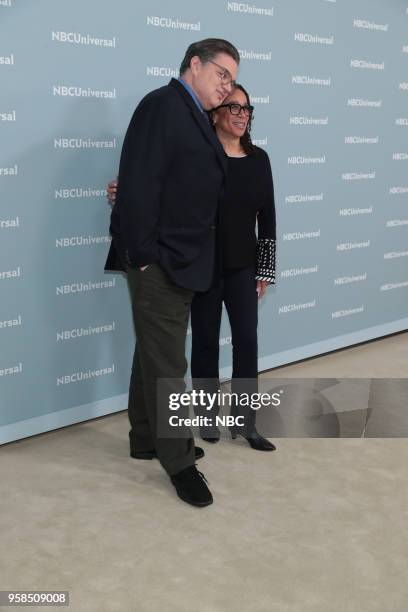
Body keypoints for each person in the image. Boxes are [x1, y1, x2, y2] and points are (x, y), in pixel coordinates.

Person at [104, 38, 240, 508]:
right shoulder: (162, 106)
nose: (228, 86)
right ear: (194, 64)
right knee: (168, 366)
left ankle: (145, 437)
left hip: (183, 260)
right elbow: (139, 183)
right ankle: (180, 462)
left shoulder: (196, 117)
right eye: (222, 74)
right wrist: (142, 255)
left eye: (233, 80)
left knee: (153, 353)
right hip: (160, 260)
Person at [107, 83, 277, 455]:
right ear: (214, 112)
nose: (241, 116)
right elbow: (163, 192)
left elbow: (269, 218)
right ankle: (205, 419)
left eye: (247, 110)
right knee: (203, 344)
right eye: (233, 107)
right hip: (201, 266)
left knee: (247, 341)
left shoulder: (260, 159)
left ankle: (246, 422)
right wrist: (126, 192)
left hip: (243, 268)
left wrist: (266, 269)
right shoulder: (201, 156)